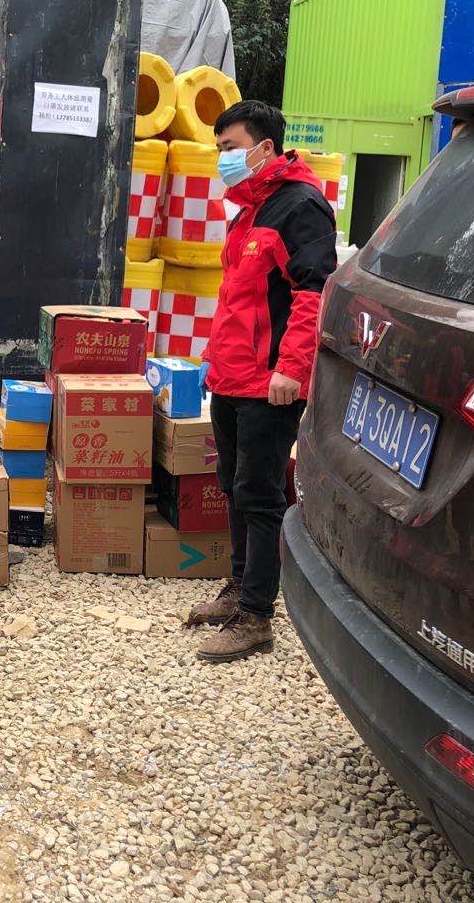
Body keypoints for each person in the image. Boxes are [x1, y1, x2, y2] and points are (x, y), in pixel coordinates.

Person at [186, 100, 337, 663]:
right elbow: (237, 299)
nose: (222, 158)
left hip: (269, 383)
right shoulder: (249, 210)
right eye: (219, 149)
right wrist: (213, 360)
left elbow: (312, 294)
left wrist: (293, 369)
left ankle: (256, 617)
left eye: (230, 148)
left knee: (260, 493)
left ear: (264, 148)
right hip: (233, 377)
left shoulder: (301, 207)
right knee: (232, 484)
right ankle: (238, 587)